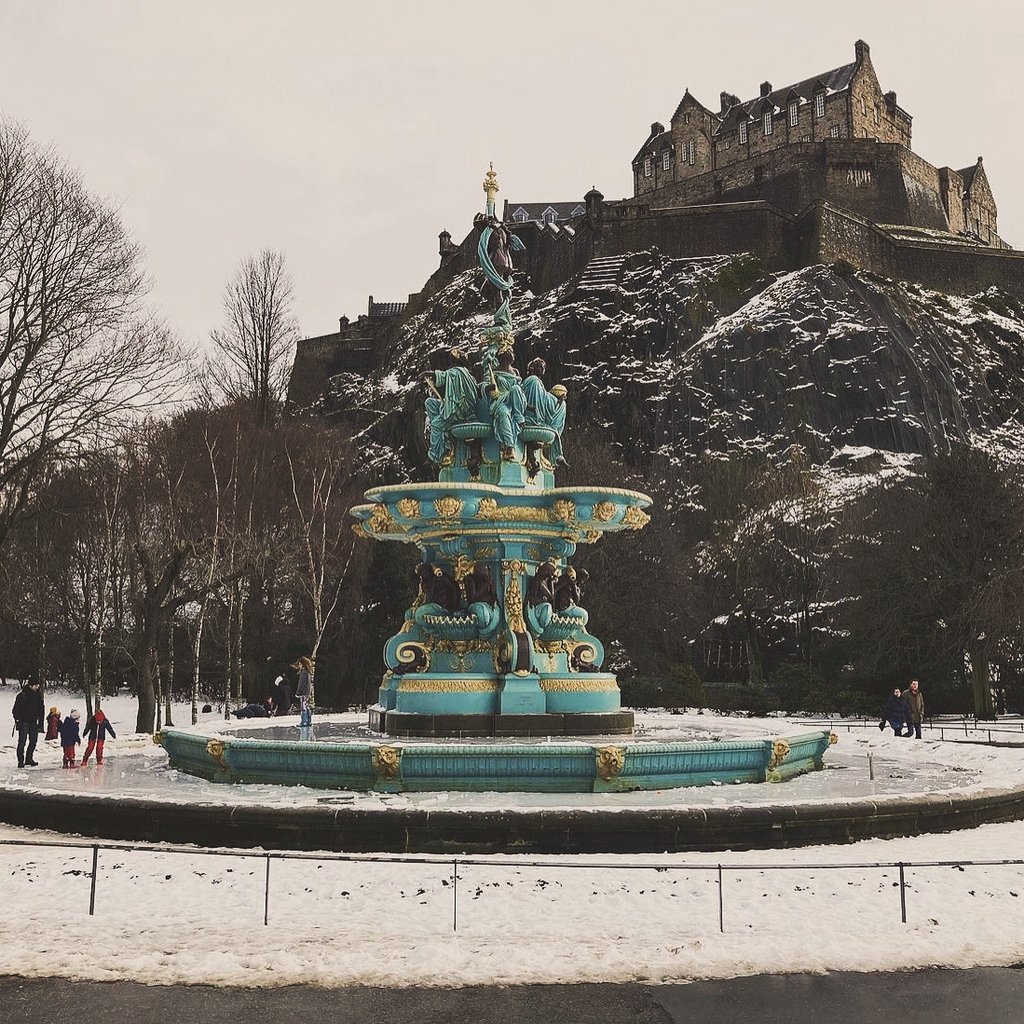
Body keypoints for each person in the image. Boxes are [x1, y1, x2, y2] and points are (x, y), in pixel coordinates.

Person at [12, 679, 44, 768]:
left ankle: (29, 759)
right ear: (30, 685)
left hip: (33, 722)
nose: (37, 687)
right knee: (22, 742)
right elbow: (15, 710)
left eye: (38, 685)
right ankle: (20, 761)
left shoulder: (38, 696)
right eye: (35, 685)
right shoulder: (22, 695)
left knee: (33, 741)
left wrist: (40, 723)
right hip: (23, 722)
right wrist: (17, 720)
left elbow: (41, 709)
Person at [293, 656, 314, 727]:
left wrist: (298, 692)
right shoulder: (308, 672)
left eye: (300, 664)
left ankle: (304, 721)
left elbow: (301, 684)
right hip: (307, 692)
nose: (299, 666)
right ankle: (308, 721)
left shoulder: (303, 672)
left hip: (303, 693)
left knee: (303, 707)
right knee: (306, 706)